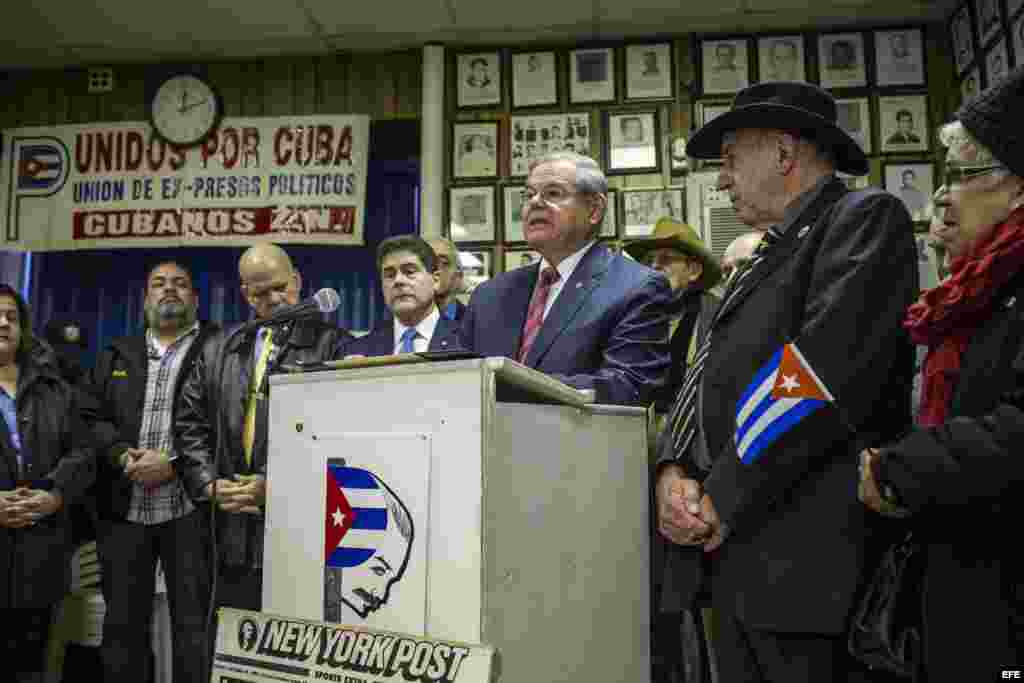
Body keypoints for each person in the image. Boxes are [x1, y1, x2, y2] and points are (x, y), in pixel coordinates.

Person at [659, 81, 918, 682]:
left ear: (783, 153)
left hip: (803, 562)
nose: (721, 181)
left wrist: (721, 489)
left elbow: (818, 369)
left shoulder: (862, 218)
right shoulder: (769, 250)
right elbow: (707, 365)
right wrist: (675, 468)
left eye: (728, 161)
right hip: (736, 555)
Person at [859, 65, 1024, 682]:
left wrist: (900, 467)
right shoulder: (971, 299)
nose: (942, 195)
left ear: (1018, 189)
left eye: (965, 173)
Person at [175, 244, 352, 612]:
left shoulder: (333, 344)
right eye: (260, 292)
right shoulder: (220, 347)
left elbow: (337, 433)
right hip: (227, 525)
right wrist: (207, 481)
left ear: (298, 281)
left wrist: (276, 485)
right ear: (245, 294)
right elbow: (189, 421)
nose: (274, 299)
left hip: (302, 529)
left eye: (280, 287)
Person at [83, 261, 219, 683]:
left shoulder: (218, 348)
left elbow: (228, 423)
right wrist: (123, 454)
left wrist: (174, 464)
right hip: (124, 512)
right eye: (159, 284)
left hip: (191, 510)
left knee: (194, 627)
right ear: (145, 299)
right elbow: (88, 417)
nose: (169, 290)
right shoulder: (116, 352)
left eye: (180, 283)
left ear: (195, 298)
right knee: (123, 627)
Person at [458, 151, 672, 406]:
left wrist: (508, 388)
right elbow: (458, 380)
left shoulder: (636, 287)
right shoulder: (488, 295)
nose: (535, 203)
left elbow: (627, 385)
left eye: (553, 193)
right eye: (529, 195)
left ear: (593, 210)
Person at [625, 218, 722, 683]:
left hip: (691, 464)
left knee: (686, 595)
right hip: (628, 461)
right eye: (649, 261)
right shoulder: (636, 316)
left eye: (665, 260)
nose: (654, 268)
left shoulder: (715, 317)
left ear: (694, 270)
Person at [0, 283, 95, 682]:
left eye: (11, 316)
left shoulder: (54, 387)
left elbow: (83, 453)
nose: (3, 323)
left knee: (32, 664)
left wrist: (54, 494)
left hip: (40, 552)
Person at [340, 235, 460, 357]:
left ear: (436, 280)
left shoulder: (466, 341)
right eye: (390, 275)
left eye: (409, 272)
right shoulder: (356, 350)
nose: (398, 281)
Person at [428, 237, 467, 322]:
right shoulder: (399, 320)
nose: (434, 267)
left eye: (443, 262)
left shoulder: (475, 323)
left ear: (458, 276)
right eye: (427, 262)